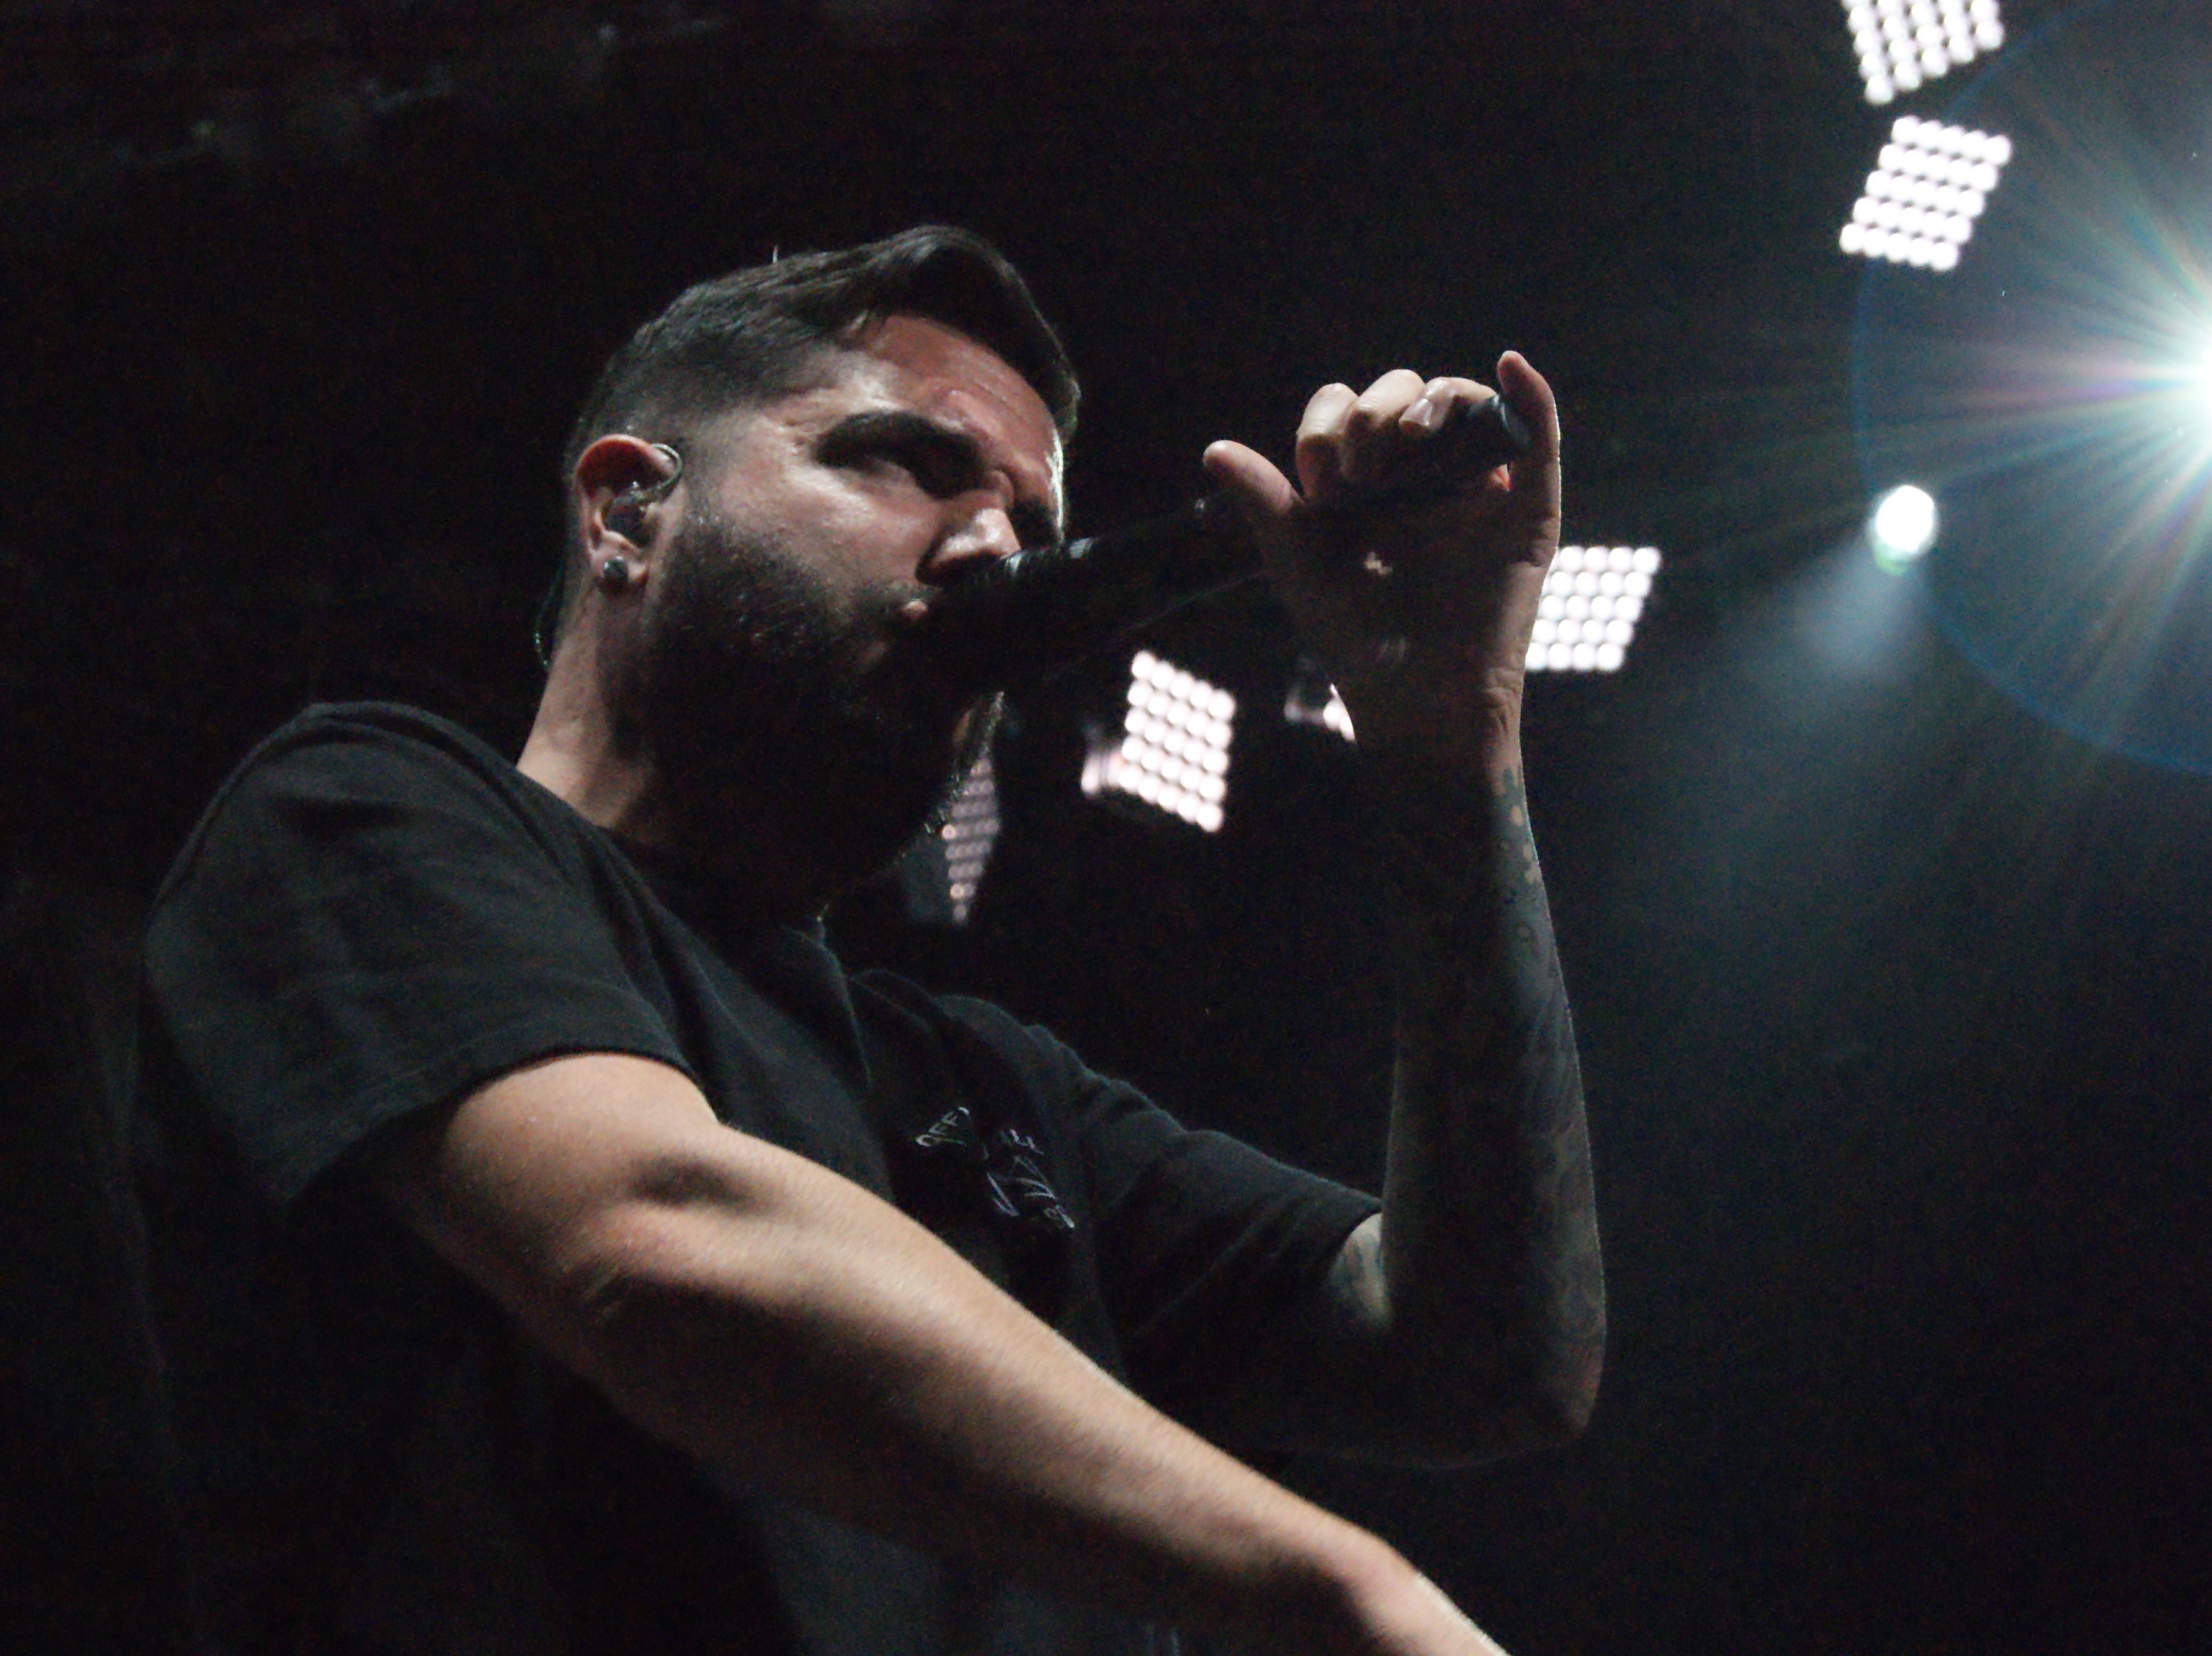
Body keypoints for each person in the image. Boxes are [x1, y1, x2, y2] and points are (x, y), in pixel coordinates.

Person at [136, 225, 1602, 1655]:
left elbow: (1486, 1366)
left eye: (1031, 525)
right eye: (912, 462)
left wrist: (1448, 744)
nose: (995, 550)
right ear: (627, 511)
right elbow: (657, 1245)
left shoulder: (996, 1096)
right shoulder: (353, 816)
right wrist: (1346, 1593)